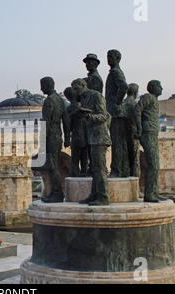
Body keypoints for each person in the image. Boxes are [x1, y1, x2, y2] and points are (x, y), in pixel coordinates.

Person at [71, 79, 111, 206]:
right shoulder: (83, 99)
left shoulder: (96, 96)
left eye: (76, 88)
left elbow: (104, 116)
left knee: (99, 169)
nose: (75, 92)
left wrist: (88, 117)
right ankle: (94, 195)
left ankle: (103, 197)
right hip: (91, 137)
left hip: (99, 137)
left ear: (84, 86)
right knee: (94, 169)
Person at [36, 77, 66, 202]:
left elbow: (46, 122)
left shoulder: (49, 101)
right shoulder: (60, 99)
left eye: (42, 85)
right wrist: (67, 136)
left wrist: (42, 141)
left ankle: (57, 193)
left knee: (52, 166)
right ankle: (57, 192)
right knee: (56, 165)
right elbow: (66, 119)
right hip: (58, 135)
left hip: (50, 137)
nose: (41, 89)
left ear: (47, 85)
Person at [135, 80, 163, 202]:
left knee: (156, 165)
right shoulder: (148, 97)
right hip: (147, 133)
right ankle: (149, 194)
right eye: (159, 86)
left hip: (153, 134)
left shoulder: (155, 100)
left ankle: (154, 192)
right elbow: (137, 110)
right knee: (153, 164)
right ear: (153, 87)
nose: (161, 88)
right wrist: (139, 127)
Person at [105, 49, 129, 177]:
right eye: (107, 56)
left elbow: (124, 87)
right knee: (119, 143)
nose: (108, 59)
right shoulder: (114, 72)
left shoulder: (115, 72)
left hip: (116, 113)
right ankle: (121, 170)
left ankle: (116, 170)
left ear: (117, 59)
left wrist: (117, 102)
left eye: (110, 57)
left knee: (117, 142)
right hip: (115, 112)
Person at [62, 87, 89, 177]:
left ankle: (75, 175)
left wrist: (67, 139)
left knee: (75, 159)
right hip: (86, 136)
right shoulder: (84, 105)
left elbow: (67, 125)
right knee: (84, 158)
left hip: (76, 136)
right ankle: (84, 173)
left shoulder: (69, 109)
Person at [124, 83, 141, 177]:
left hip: (123, 134)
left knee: (126, 159)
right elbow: (138, 119)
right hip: (134, 133)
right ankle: (135, 182)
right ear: (135, 92)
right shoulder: (135, 105)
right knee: (135, 161)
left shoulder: (123, 103)